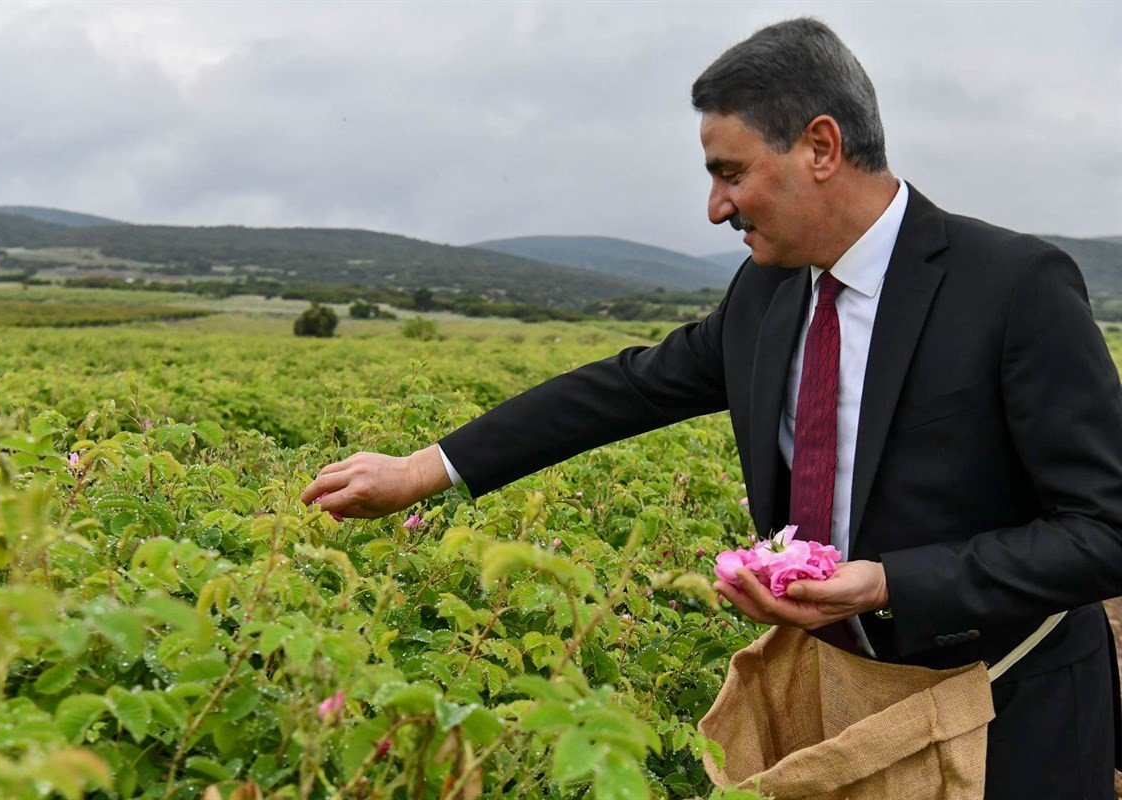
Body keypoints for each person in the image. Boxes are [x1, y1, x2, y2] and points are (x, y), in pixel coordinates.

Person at [300, 18, 1122, 797]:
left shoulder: (1013, 287)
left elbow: (1105, 530)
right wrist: (424, 470)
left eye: (730, 173)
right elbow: (624, 389)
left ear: (822, 147)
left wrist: (890, 582)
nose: (716, 207)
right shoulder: (766, 294)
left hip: (1017, 715)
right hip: (845, 702)